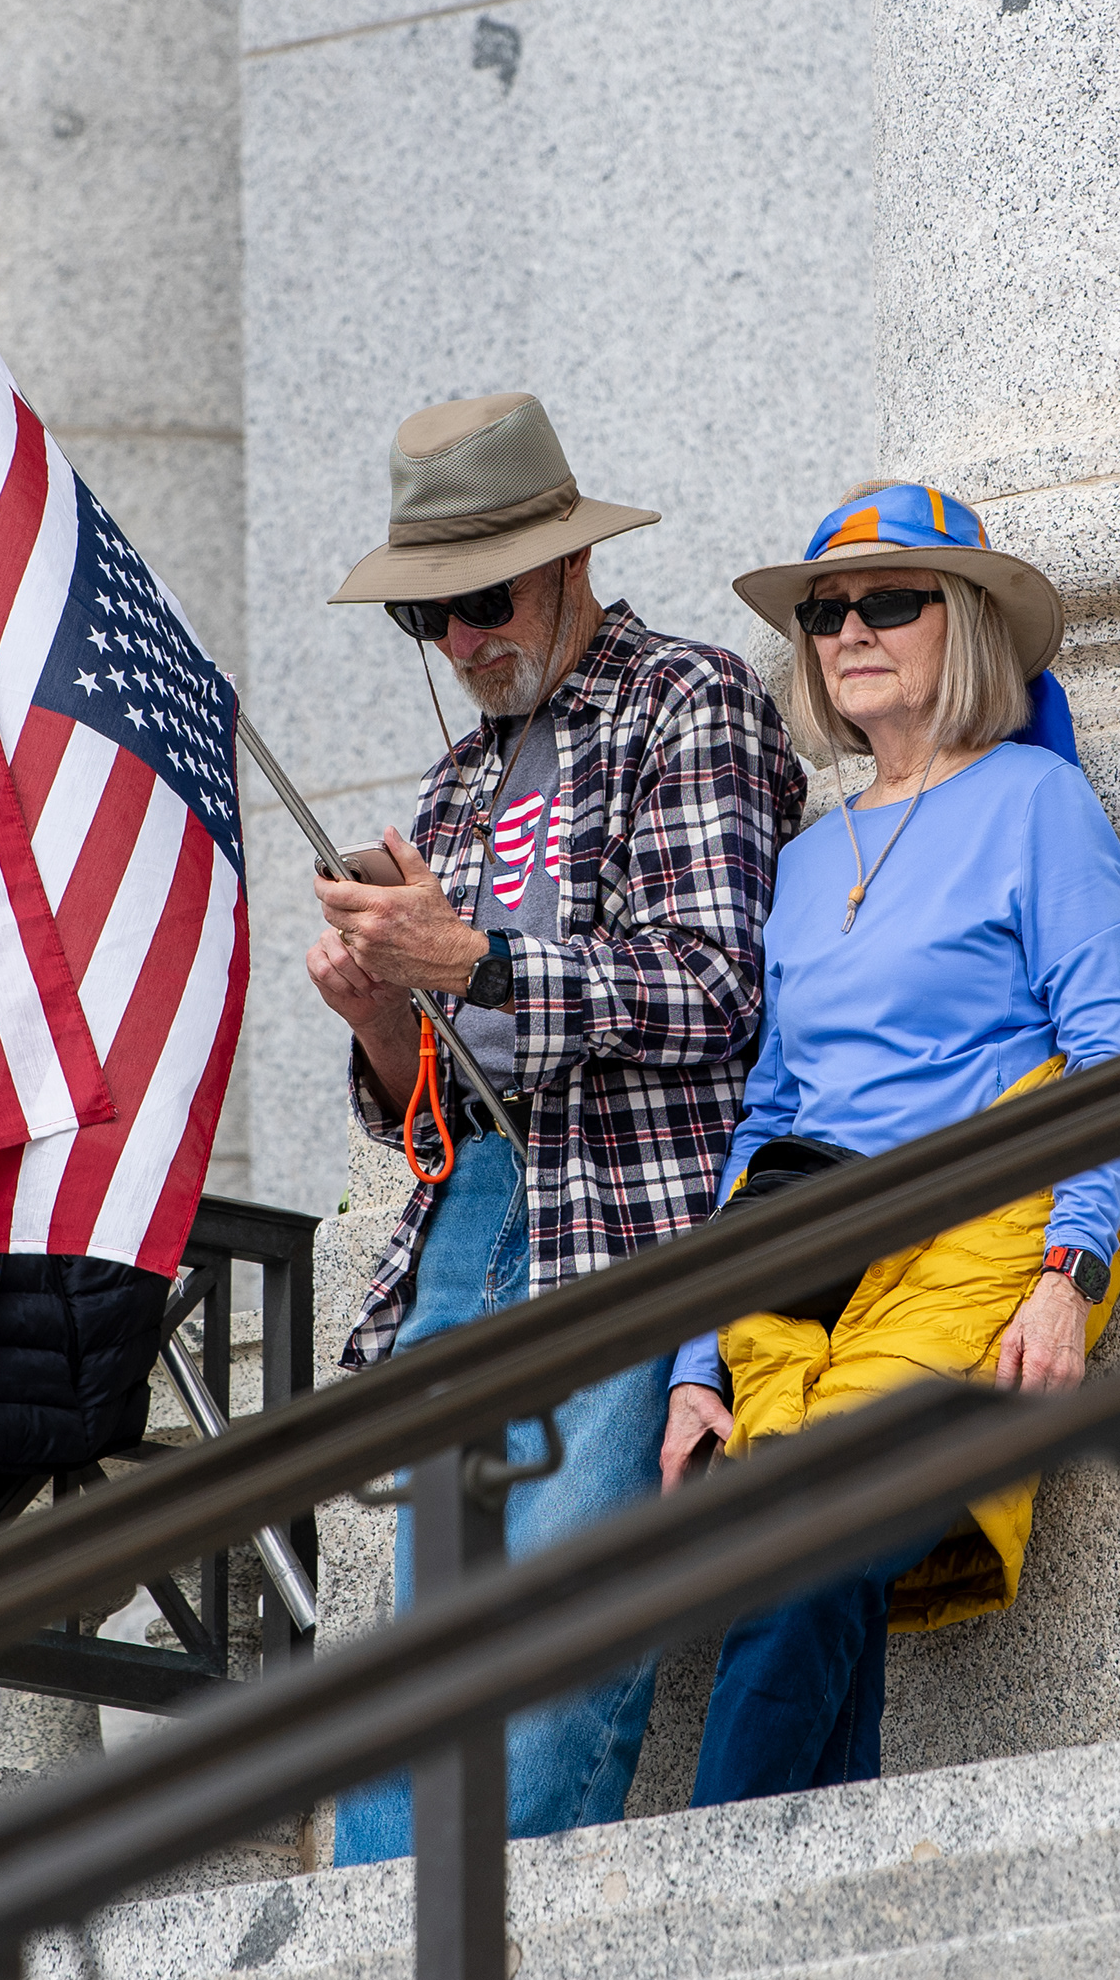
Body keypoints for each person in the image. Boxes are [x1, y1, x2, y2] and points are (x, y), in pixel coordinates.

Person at [311, 392, 803, 1855]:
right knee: (421, 1661)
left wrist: (472, 959)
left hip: (633, 1220)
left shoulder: (690, 701)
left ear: (569, 563)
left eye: (480, 602)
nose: (462, 644)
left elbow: (720, 987)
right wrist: (376, 1017)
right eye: (428, 621)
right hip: (469, 1224)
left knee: (560, 1643)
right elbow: (430, 1099)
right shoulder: (456, 783)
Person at [662, 482, 1120, 1805]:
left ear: (965, 625)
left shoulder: (1034, 802)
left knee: (809, 1551)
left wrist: (1067, 1274)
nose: (849, 629)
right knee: (803, 1580)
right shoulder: (801, 855)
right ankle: (793, 1915)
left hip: (970, 1243)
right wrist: (694, 1357)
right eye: (826, 611)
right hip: (803, 1271)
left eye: (889, 601)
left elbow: (1114, 1050)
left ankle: (693, 1901)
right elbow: (768, 1114)